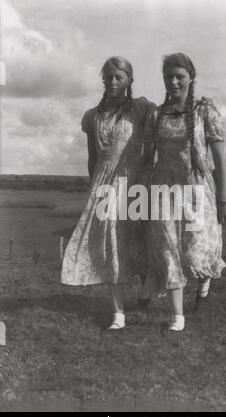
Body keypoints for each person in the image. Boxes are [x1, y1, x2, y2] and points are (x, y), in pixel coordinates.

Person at [139, 53, 226, 331]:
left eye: (179, 75)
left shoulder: (205, 113)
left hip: (197, 190)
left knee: (195, 253)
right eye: (169, 76)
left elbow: (219, 158)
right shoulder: (156, 115)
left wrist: (224, 198)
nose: (174, 81)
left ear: (191, 78)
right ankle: (177, 316)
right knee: (168, 251)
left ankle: (203, 287)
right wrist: (140, 195)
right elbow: (147, 159)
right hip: (163, 191)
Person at [61, 56, 155, 330]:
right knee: (111, 243)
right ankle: (118, 313)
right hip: (104, 186)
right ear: (103, 80)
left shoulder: (141, 109)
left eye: (119, 77)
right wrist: (96, 190)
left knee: (140, 241)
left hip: (134, 183)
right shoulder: (92, 117)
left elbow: (159, 132)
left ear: (129, 80)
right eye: (109, 77)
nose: (113, 82)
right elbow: (93, 159)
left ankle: (147, 291)